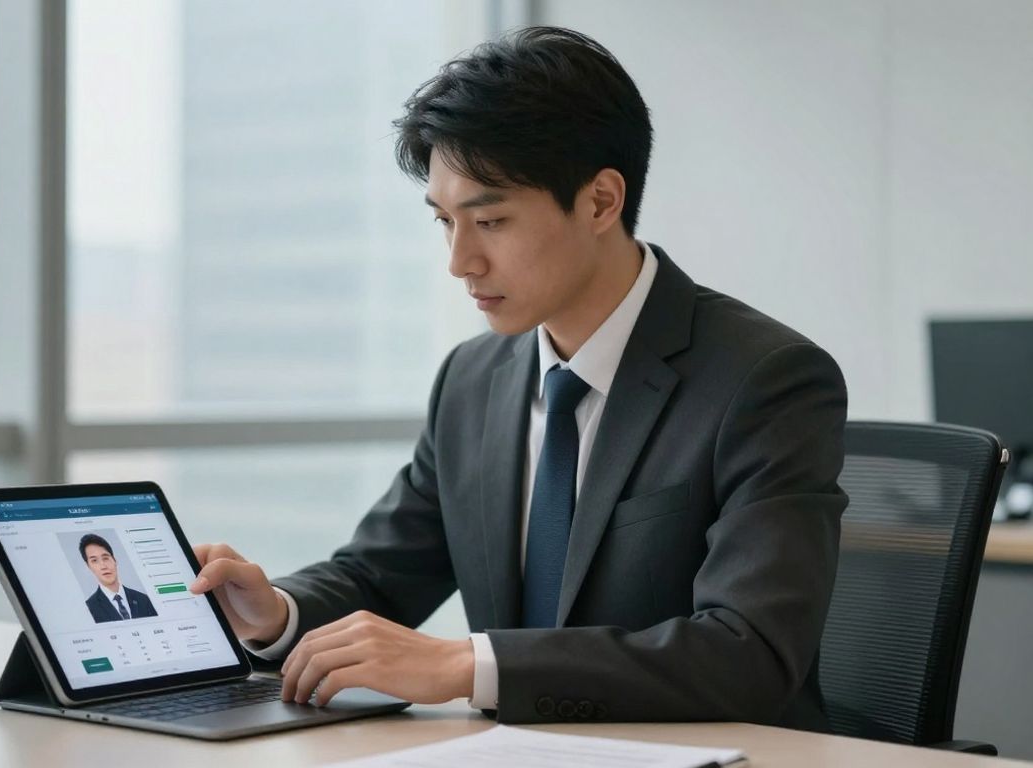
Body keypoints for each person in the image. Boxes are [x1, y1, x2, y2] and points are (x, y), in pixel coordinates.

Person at [189, 26, 847, 729]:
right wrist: (274, 613)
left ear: (600, 202)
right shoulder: (473, 380)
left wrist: (465, 666)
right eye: (445, 222)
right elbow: (379, 576)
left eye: (491, 221)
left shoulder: (766, 380)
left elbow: (748, 655)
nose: (460, 261)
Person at [79, 533, 158, 623]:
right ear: (89, 566)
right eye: (94, 561)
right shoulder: (89, 608)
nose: (103, 566)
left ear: (114, 560)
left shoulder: (143, 600)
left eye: (105, 558)